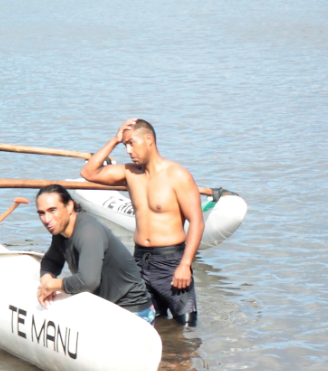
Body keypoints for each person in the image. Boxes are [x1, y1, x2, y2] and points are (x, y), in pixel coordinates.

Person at [80, 119, 203, 326]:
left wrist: (185, 264)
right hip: (139, 261)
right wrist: (115, 140)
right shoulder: (129, 173)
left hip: (171, 262)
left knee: (187, 330)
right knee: (144, 325)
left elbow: (197, 222)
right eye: (125, 145)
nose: (128, 150)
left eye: (131, 143)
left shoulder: (177, 175)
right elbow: (88, 173)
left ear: (149, 140)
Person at [33, 186, 152, 319]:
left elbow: (88, 282)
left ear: (69, 206)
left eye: (52, 210)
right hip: (103, 305)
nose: (47, 219)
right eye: (41, 213)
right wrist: (46, 280)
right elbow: (51, 260)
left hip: (131, 310)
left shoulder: (89, 232)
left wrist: (52, 285)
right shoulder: (61, 230)